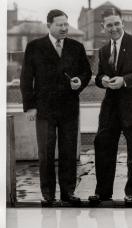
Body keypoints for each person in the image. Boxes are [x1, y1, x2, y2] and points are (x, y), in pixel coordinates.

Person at [20, 9, 92, 205]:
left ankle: (68, 192)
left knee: (69, 152)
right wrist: (30, 107)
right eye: (60, 25)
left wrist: (80, 82)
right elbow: (26, 78)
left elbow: (86, 72)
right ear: (49, 26)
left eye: (66, 24)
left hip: (69, 108)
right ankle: (48, 194)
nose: (64, 28)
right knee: (46, 153)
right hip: (44, 110)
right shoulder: (35, 47)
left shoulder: (76, 47)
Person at [88, 7, 132, 206]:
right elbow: (99, 76)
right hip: (111, 108)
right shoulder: (103, 50)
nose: (114, 28)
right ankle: (103, 193)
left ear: (122, 23)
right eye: (109, 25)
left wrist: (124, 80)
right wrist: (104, 80)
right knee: (102, 147)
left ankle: (131, 193)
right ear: (103, 27)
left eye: (117, 23)